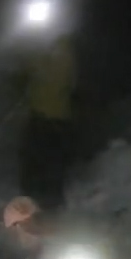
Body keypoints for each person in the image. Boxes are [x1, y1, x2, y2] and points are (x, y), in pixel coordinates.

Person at [13, 31, 77, 209]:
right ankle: (29, 206)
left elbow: (54, 77)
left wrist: (34, 57)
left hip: (55, 119)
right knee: (30, 161)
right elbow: (27, 74)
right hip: (38, 116)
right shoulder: (44, 50)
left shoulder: (62, 51)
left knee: (50, 166)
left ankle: (52, 210)